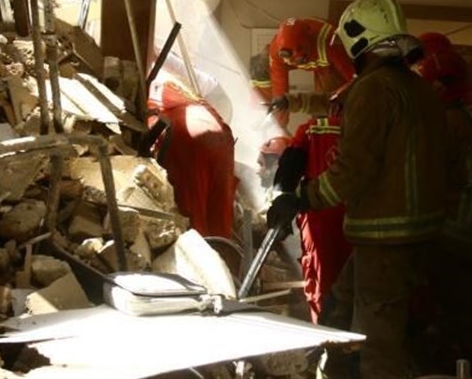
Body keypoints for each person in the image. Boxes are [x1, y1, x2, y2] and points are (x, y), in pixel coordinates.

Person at [267, 0, 447, 379]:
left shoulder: (373, 89)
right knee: (337, 312)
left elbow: (352, 170)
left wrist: (300, 198)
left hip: (384, 239)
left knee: (377, 346)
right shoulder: (419, 90)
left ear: (357, 41)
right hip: (417, 235)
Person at [411, 32, 472, 371]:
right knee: (467, 326)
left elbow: (425, 185)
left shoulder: (445, 127)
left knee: (465, 327)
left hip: (451, 242)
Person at [273, 87, 353, 324]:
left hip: (319, 219)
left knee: (321, 282)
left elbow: (288, 173)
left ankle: (326, 335)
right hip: (360, 220)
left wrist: (283, 202)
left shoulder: (312, 129)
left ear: (334, 106)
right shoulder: (370, 132)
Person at [146, 74, 237, 238]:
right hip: (222, 135)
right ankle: (222, 248)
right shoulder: (180, 88)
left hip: (188, 140)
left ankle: (199, 247)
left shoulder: (151, 96)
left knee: (193, 210)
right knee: (220, 207)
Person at [257, 18, 354, 128]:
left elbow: (354, 78)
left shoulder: (331, 43)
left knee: (330, 108)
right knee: (264, 60)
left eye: (298, 60)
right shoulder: (276, 50)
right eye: (286, 57)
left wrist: (340, 99)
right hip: (315, 57)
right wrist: (279, 124)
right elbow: (279, 86)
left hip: (330, 65)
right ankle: (265, 115)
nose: (289, 62)